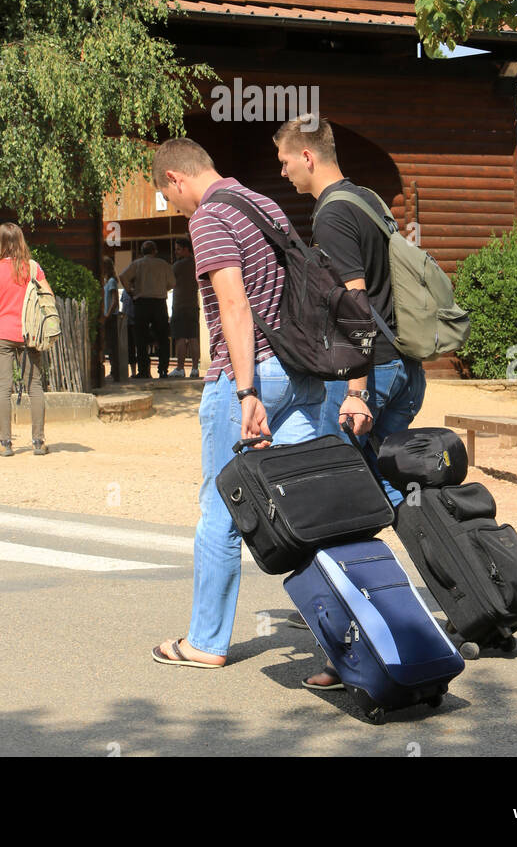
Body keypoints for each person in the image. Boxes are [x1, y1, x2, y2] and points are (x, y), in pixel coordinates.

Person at [148, 137, 326, 669]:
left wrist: (247, 390)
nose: (176, 208)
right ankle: (344, 641)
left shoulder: (207, 217)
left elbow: (233, 304)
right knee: (307, 508)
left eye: (168, 196)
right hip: (302, 372)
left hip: (249, 376)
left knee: (222, 506)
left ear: (177, 179)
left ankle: (206, 641)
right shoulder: (262, 202)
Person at [274, 114, 425, 689]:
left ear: (308, 156)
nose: (282, 170)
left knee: (340, 508)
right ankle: (465, 594)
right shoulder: (366, 200)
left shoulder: (333, 213)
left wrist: (357, 391)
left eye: (286, 159)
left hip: (369, 374)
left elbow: (354, 307)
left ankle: (353, 644)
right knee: (394, 496)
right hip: (405, 367)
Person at [0, 223, 50, 456]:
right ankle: (38, 442)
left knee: (3, 389)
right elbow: (49, 296)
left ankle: (5, 444)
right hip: (29, 335)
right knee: (35, 387)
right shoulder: (33, 268)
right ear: (21, 242)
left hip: (1, 334)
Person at [121, 241, 175, 380]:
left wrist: (131, 291)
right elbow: (172, 283)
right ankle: (163, 370)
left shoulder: (137, 264)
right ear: (155, 251)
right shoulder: (163, 264)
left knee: (141, 339)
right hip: (159, 302)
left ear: (141, 251)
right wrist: (163, 289)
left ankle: (144, 370)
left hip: (141, 303)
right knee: (163, 338)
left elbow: (123, 276)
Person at [168, 237, 201, 380]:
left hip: (180, 305)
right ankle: (195, 369)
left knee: (180, 338)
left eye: (178, 249)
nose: (176, 252)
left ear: (186, 249)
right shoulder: (196, 263)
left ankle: (180, 368)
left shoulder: (178, 265)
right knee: (193, 338)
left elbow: (168, 282)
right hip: (193, 304)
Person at [101, 256, 120, 384]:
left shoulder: (112, 281)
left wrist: (107, 314)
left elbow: (114, 300)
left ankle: (116, 373)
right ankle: (113, 372)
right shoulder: (106, 281)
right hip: (107, 315)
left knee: (113, 346)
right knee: (108, 345)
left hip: (110, 316)